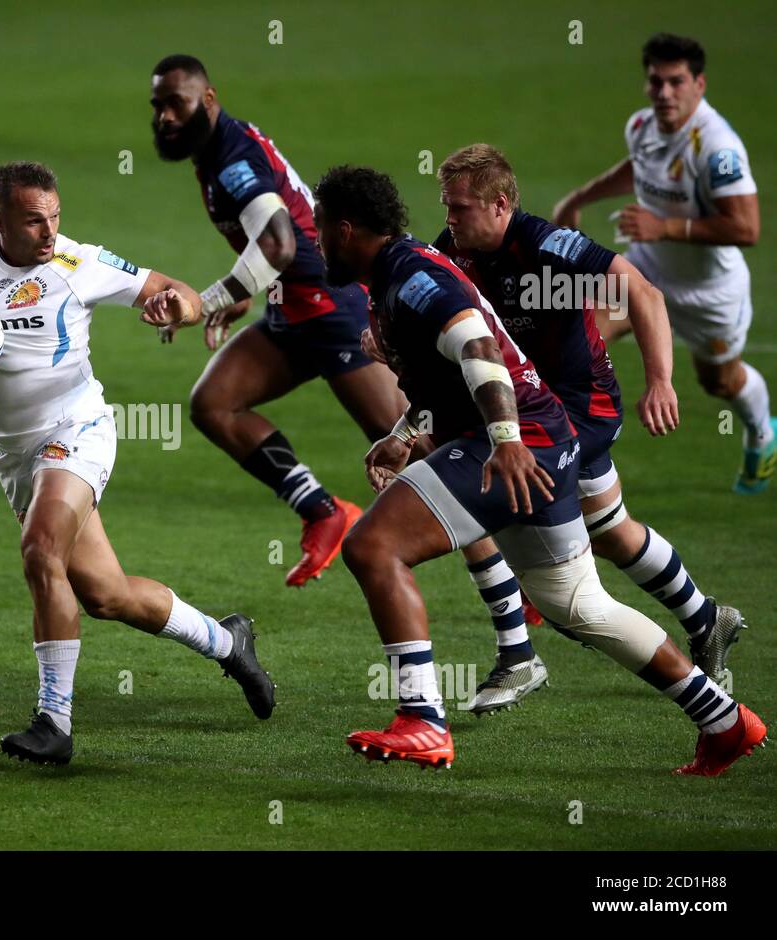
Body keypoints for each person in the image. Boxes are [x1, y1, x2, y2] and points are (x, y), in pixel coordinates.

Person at [315, 164, 764, 776]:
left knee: (373, 547)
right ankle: (724, 720)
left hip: (514, 440)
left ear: (345, 230)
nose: (315, 244)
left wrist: (504, 440)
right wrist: (405, 434)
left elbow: (478, 347)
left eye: (319, 231)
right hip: (540, 437)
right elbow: (443, 376)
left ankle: (422, 718)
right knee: (580, 605)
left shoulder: (413, 277)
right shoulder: (406, 272)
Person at [0, 161, 275, 766]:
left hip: (77, 429)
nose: (48, 232)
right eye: (33, 221)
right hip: (12, 450)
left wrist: (179, 308)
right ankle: (229, 643)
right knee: (105, 594)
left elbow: (180, 293)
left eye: (54, 217)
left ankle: (53, 722)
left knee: (41, 549)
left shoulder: (77, 263)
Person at [430, 144, 746, 711]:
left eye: (460, 209)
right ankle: (706, 618)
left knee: (479, 488)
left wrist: (661, 381)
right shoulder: (455, 247)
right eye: (447, 209)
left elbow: (642, 294)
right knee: (610, 530)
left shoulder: (547, 245)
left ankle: (518, 652)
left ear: (500, 205)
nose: (450, 221)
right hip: (530, 405)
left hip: (580, 408)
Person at [149, 55, 407, 587]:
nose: (164, 117)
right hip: (292, 309)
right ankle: (323, 510)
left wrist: (214, 296)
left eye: (176, 103)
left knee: (410, 444)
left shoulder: (232, 160)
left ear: (209, 99)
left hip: (333, 310)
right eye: (157, 106)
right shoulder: (215, 150)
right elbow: (266, 242)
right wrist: (249, 290)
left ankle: (521, 574)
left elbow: (279, 244)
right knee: (213, 404)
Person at [554, 33, 773, 494]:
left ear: (699, 83)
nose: (665, 93)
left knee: (719, 381)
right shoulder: (642, 126)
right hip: (647, 270)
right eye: (656, 81)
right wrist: (581, 197)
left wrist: (665, 227)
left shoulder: (718, 149)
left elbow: (746, 228)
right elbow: (639, 165)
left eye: (676, 82)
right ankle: (566, 454)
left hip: (708, 293)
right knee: (577, 325)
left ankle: (762, 435)